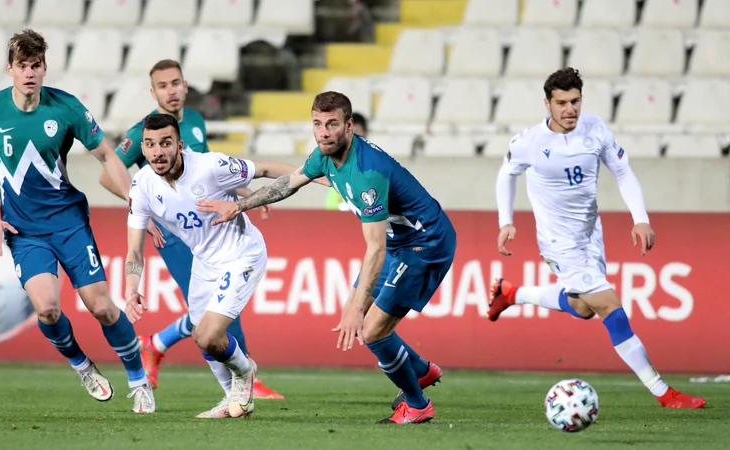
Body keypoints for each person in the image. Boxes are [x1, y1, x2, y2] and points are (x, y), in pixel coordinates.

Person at [197, 92, 454, 424]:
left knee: (371, 330)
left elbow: (375, 249)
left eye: (332, 124)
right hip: (400, 240)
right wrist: (240, 205)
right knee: (363, 317)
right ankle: (419, 371)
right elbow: (289, 182)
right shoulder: (323, 155)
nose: (324, 132)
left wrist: (355, 306)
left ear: (349, 125)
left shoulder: (366, 174)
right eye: (318, 124)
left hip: (425, 243)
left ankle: (418, 405)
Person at [489, 67, 705, 409]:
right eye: (561, 103)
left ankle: (512, 293)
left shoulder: (595, 130)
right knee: (610, 308)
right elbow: (507, 174)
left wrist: (640, 219)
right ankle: (664, 393)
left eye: (574, 101)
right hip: (559, 242)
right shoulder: (529, 141)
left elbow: (622, 171)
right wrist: (506, 221)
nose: (569, 109)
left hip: (591, 234)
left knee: (582, 307)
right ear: (548, 103)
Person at [0, 29, 154, 413]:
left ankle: (138, 379)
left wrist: (136, 202)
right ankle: (82, 366)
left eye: (35, 65)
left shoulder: (66, 108)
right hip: (24, 231)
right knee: (47, 308)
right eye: (22, 66)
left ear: (45, 68)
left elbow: (107, 156)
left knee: (101, 306)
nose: (29, 73)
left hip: (68, 222)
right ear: (10, 69)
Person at [99, 59, 284, 399]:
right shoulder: (145, 132)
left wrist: (244, 194)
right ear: (152, 92)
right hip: (175, 234)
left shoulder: (195, 121)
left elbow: (208, 171)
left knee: (214, 309)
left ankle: (158, 344)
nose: (171, 91)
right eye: (163, 86)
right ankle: (245, 381)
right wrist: (142, 211)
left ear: (185, 86)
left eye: (175, 83)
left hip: (211, 222)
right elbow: (107, 174)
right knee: (214, 313)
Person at [123, 114, 325, 418]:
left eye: (165, 143)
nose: (158, 152)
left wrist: (312, 172)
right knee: (199, 334)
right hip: (205, 262)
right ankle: (231, 399)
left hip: (242, 254)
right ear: (143, 147)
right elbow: (134, 252)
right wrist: (131, 290)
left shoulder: (209, 167)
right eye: (150, 145)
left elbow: (264, 169)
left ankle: (246, 373)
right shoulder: (142, 187)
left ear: (179, 145)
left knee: (207, 335)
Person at [326, 112, 367, 211]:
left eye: (357, 131)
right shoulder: (336, 163)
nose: (353, 135)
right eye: (349, 131)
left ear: (365, 132)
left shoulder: (374, 162)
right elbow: (331, 206)